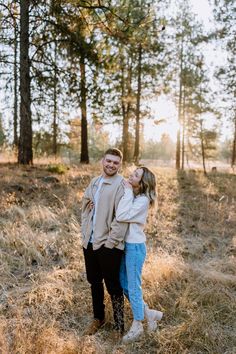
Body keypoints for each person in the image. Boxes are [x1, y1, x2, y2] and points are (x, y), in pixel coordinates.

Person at [81, 148, 128, 336]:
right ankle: (98, 318)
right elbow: (84, 204)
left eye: (115, 162)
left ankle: (119, 325)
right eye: (108, 161)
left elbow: (122, 218)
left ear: (120, 164)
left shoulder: (121, 185)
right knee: (94, 281)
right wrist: (85, 230)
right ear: (102, 161)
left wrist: (111, 242)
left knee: (113, 285)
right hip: (90, 241)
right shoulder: (95, 182)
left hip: (109, 244)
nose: (111, 165)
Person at [116, 166, 163, 343]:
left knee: (134, 286)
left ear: (142, 183)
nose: (131, 175)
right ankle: (149, 314)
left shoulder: (142, 199)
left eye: (136, 175)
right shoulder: (136, 196)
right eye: (133, 172)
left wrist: (127, 192)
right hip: (127, 246)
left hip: (135, 248)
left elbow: (121, 215)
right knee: (123, 282)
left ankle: (138, 325)